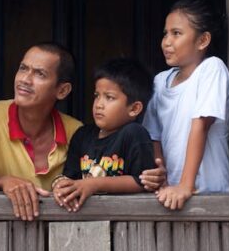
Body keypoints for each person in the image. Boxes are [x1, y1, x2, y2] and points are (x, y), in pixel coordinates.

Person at [142, 0, 229, 209]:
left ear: (202, 41)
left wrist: (185, 185)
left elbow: (200, 125)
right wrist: (161, 174)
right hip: (171, 194)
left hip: (209, 194)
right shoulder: (160, 81)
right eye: (165, 33)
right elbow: (153, 136)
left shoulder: (211, 69)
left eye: (177, 33)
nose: (166, 42)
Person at [0, 43, 82, 221]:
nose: (25, 79)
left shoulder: (77, 133)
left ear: (62, 90)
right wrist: (1, 181)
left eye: (40, 74)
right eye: (23, 68)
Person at [51, 58, 155, 212]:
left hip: (125, 221)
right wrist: (59, 184)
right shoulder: (82, 135)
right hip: (84, 219)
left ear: (134, 109)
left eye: (109, 97)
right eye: (96, 95)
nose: (99, 104)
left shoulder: (134, 134)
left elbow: (140, 182)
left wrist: (94, 184)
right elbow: (70, 177)